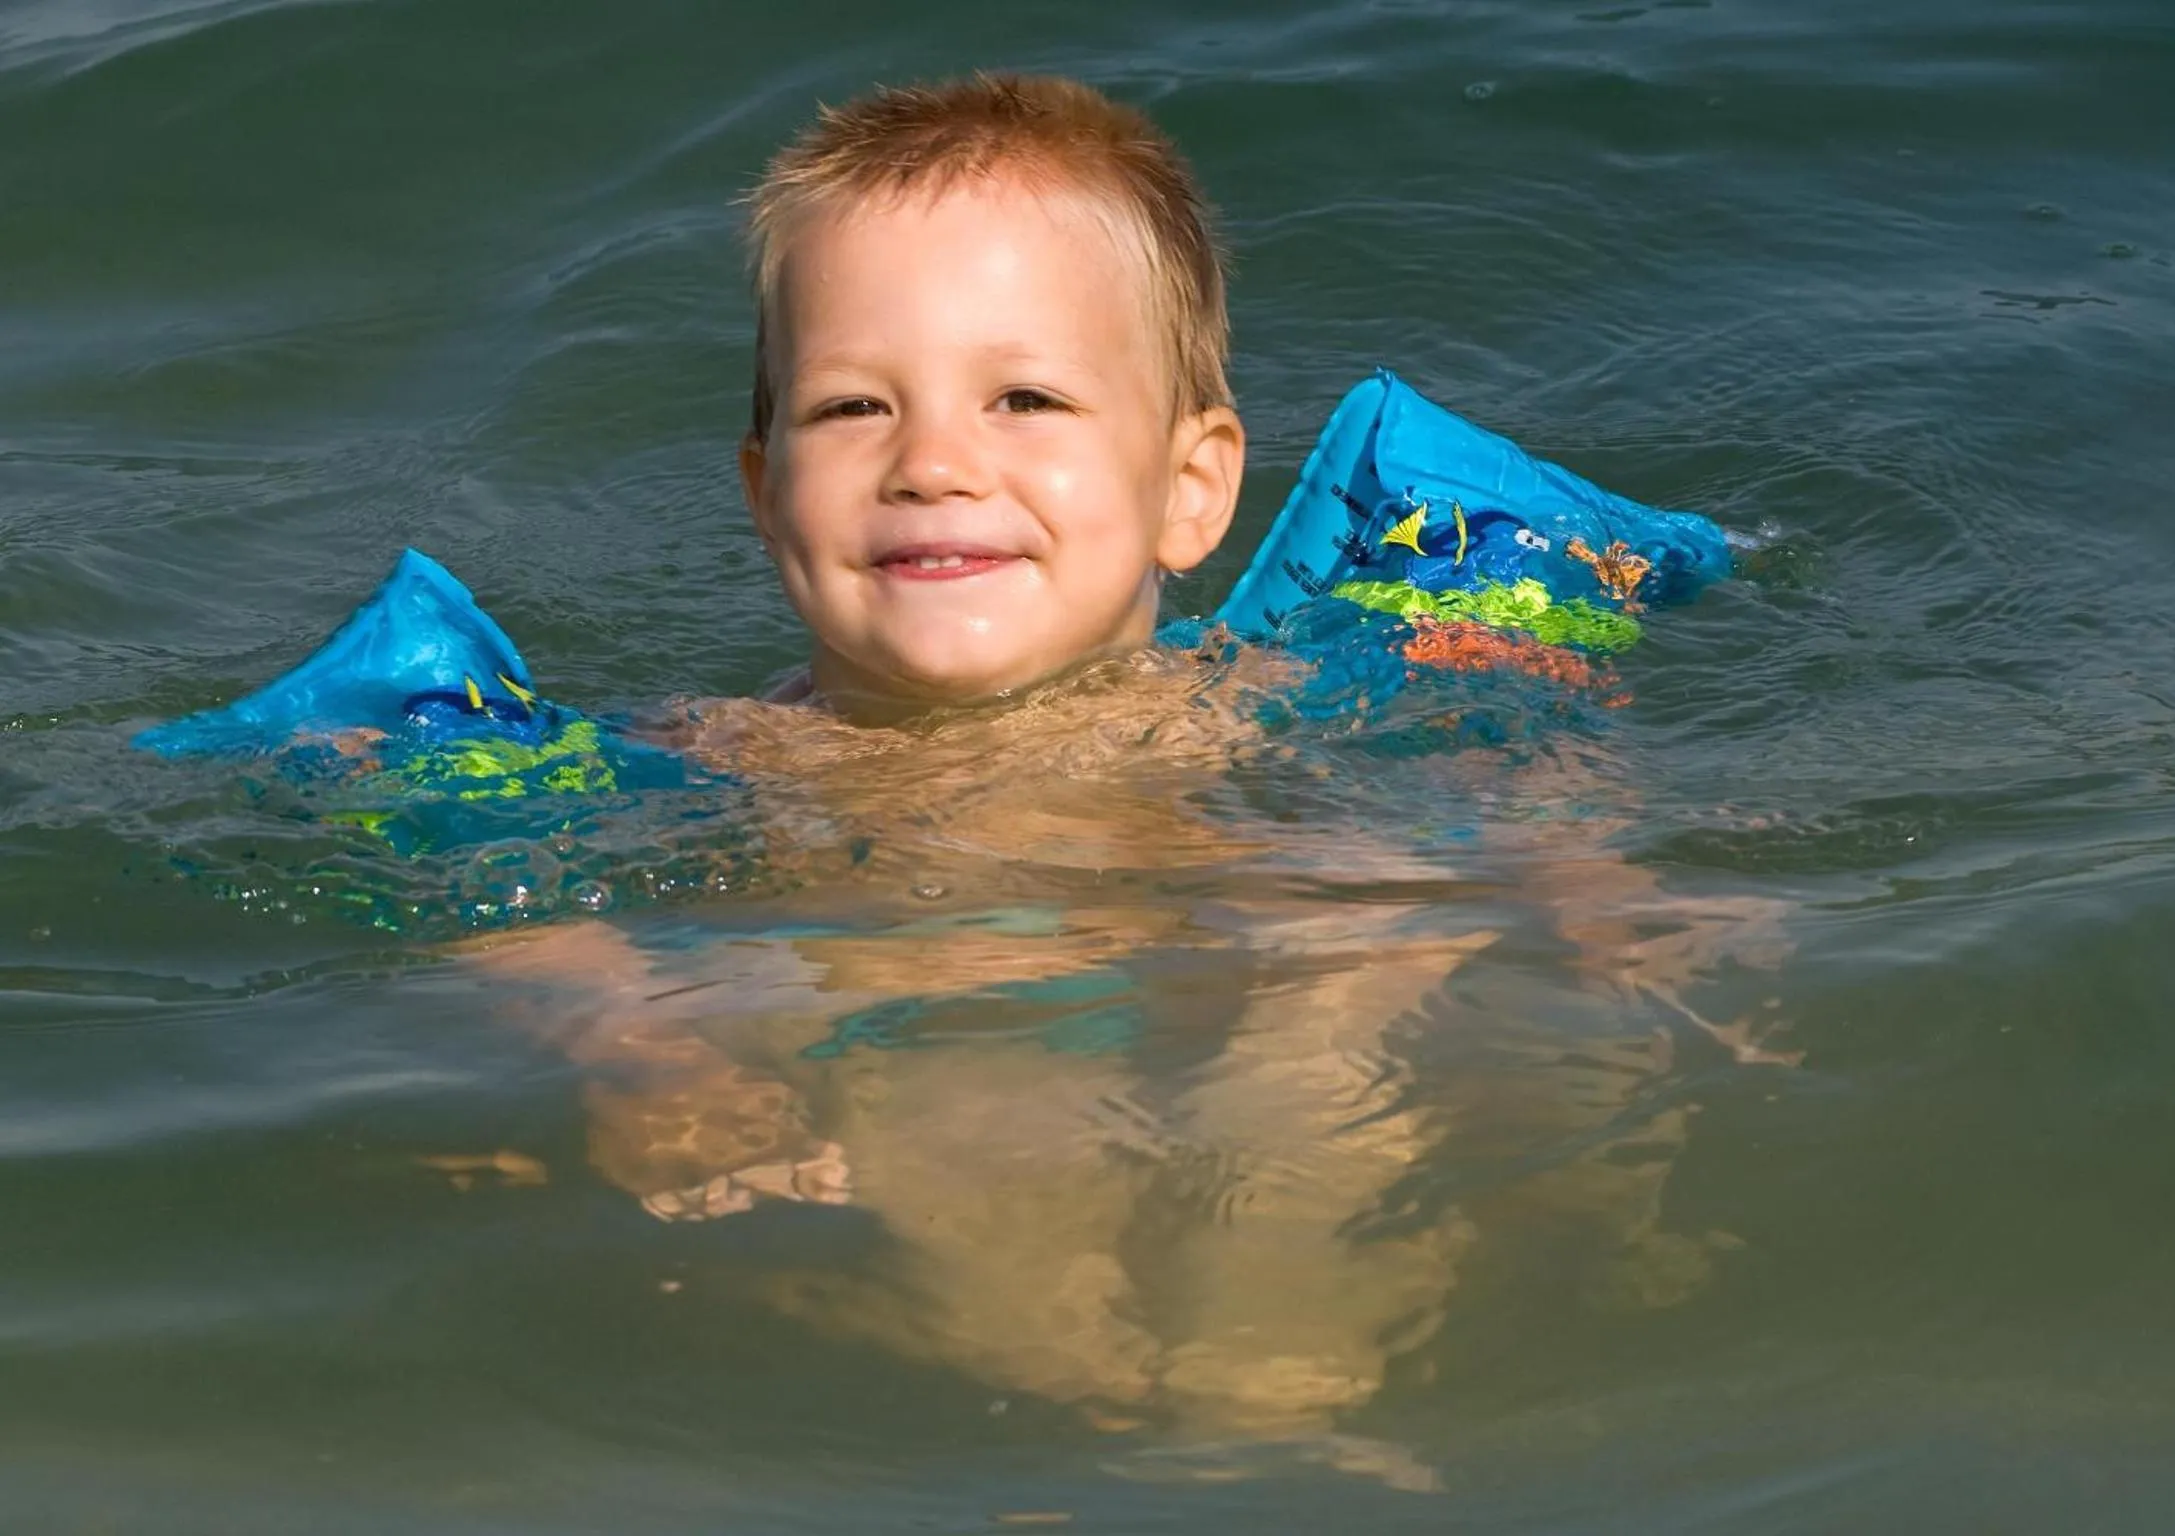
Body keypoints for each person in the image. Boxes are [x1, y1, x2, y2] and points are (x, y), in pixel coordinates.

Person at [469, 73, 1785, 1477]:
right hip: (947, 1028)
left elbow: (1504, 761)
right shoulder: (729, 752)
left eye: (1024, 397)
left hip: (1264, 971)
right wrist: (633, 1044)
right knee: (971, 1110)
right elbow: (490, 882)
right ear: (762, 487)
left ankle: (1363, 1327)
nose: (932, 463)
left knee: (1360, 934)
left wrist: (1594, 880)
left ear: (1191, 490)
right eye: (853, 407)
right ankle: (1188, 1422)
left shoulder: (1250, 704)